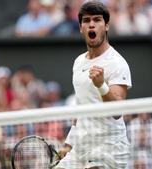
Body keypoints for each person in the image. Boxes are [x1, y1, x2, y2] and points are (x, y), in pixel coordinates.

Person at [55, 1, 132, 169]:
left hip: (109, 148)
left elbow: (117, 112)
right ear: (81, 28)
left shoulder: (117, 63)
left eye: (97, 20)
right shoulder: (78, 62)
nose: (91, 24)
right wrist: (69, 143)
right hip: (82, 147)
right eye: (86, 20)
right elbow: (81, 107)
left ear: (106, 26)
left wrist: (101, 85)